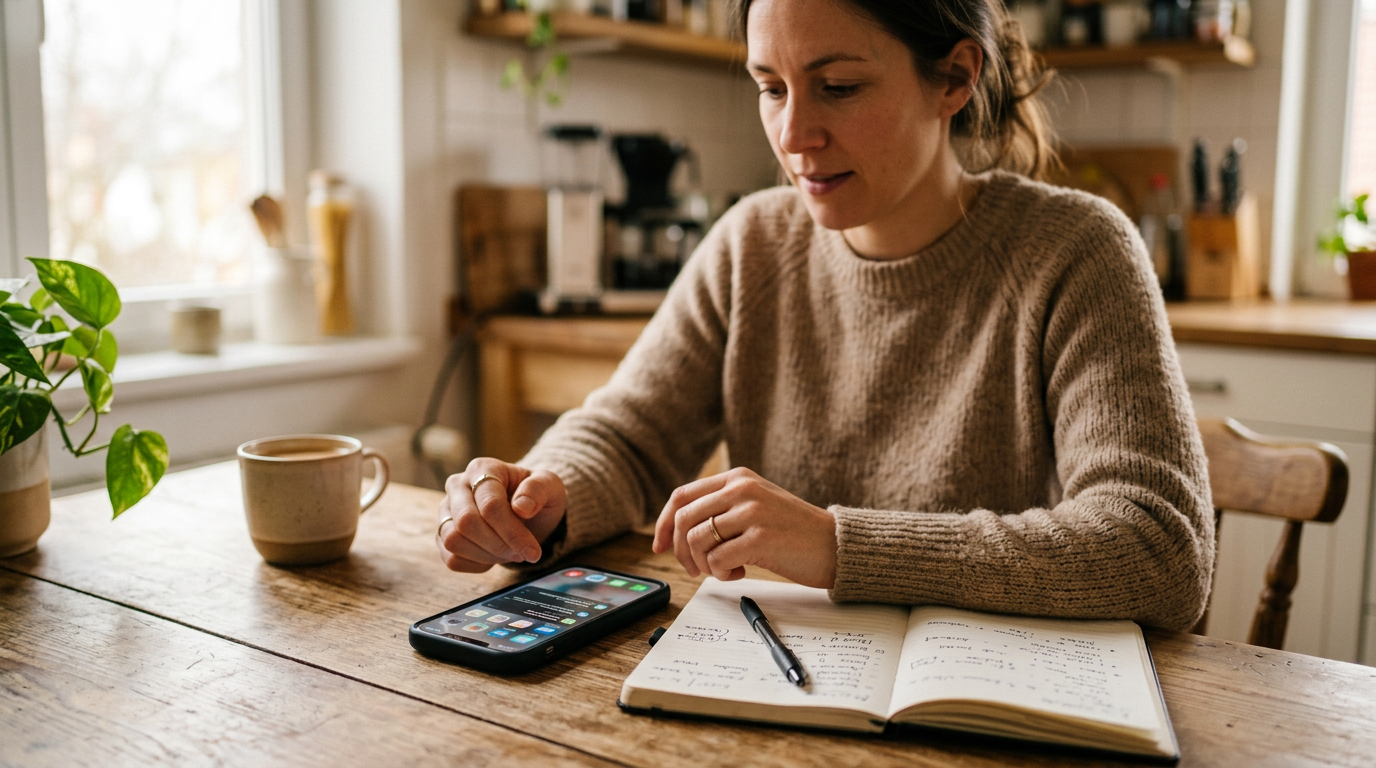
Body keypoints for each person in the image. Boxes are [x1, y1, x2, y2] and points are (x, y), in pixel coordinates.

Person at [436, 0, 1214, 631]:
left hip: (984, 713)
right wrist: (540, 495)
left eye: (838, 86)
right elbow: (628, 436)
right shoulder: (753, 242)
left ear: (953, 77)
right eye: (771, 86)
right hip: (780, 681)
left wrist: (840, 546)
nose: (793, 136)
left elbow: (1157, 547)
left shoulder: (1076, 251)